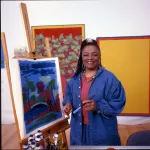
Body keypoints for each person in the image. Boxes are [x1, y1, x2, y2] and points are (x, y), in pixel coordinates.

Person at [62, 38, 126, 146]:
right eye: (86, 55)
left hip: (102, 133)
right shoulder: (75, 78)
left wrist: (98, 106)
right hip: (78, 132)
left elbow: (119, 103)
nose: (90, 58)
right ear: (81, 57)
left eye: (94, 54)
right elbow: (68, 94)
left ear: (99, 57)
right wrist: (68, 104)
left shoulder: (109, 78)